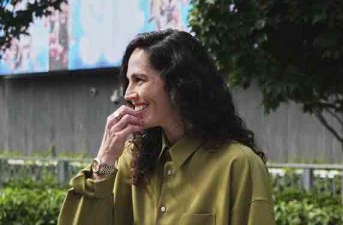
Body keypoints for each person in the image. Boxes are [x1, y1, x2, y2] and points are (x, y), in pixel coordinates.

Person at [58, 29, 275, 224]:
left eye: (140, 80)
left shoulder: (239, 165)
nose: (127, 94)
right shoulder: (132, 160)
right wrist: (105, 160)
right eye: (128, 81)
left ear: (178, 85)